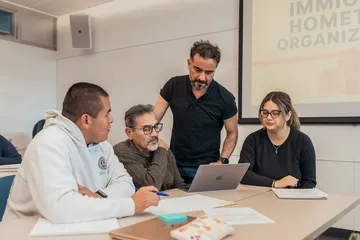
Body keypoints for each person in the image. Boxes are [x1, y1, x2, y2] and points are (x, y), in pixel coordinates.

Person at [4, 82, 160, 223]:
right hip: (27, 230)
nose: (111, 120)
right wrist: (130, 205)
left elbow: (126, 183)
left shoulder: (103, 145)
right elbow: (61, 208)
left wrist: (99, 196)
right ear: (86, 120)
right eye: (107, 114)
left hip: (83, 223)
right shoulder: (48, 142)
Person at [154, 40, 238, 183]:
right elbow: (153, 120)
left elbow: (232, 132)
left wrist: (222, 160)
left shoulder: (225, 98)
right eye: (197, 69)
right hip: (173, 165)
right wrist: (156, 140)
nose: (202, 77)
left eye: (209, 72)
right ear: (189, 63)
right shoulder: (173, 86)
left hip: (206, 170)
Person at [238, 91, 316, 189]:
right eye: (265, 113)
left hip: (292, 200)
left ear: (288, 115)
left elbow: (309, 183)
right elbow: (243, 174)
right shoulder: (252, 140)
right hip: (259, 198)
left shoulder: (303, 141)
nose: (269, 118)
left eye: (275, 113)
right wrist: (275, 183)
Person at [113, 104, 188, 191]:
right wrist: (161, 151)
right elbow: (150, 185)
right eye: (147, 129)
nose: (155, 134)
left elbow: (179, 185)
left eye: (156, 127)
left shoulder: (164, 149)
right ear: (129, 133)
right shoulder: (121, 152)